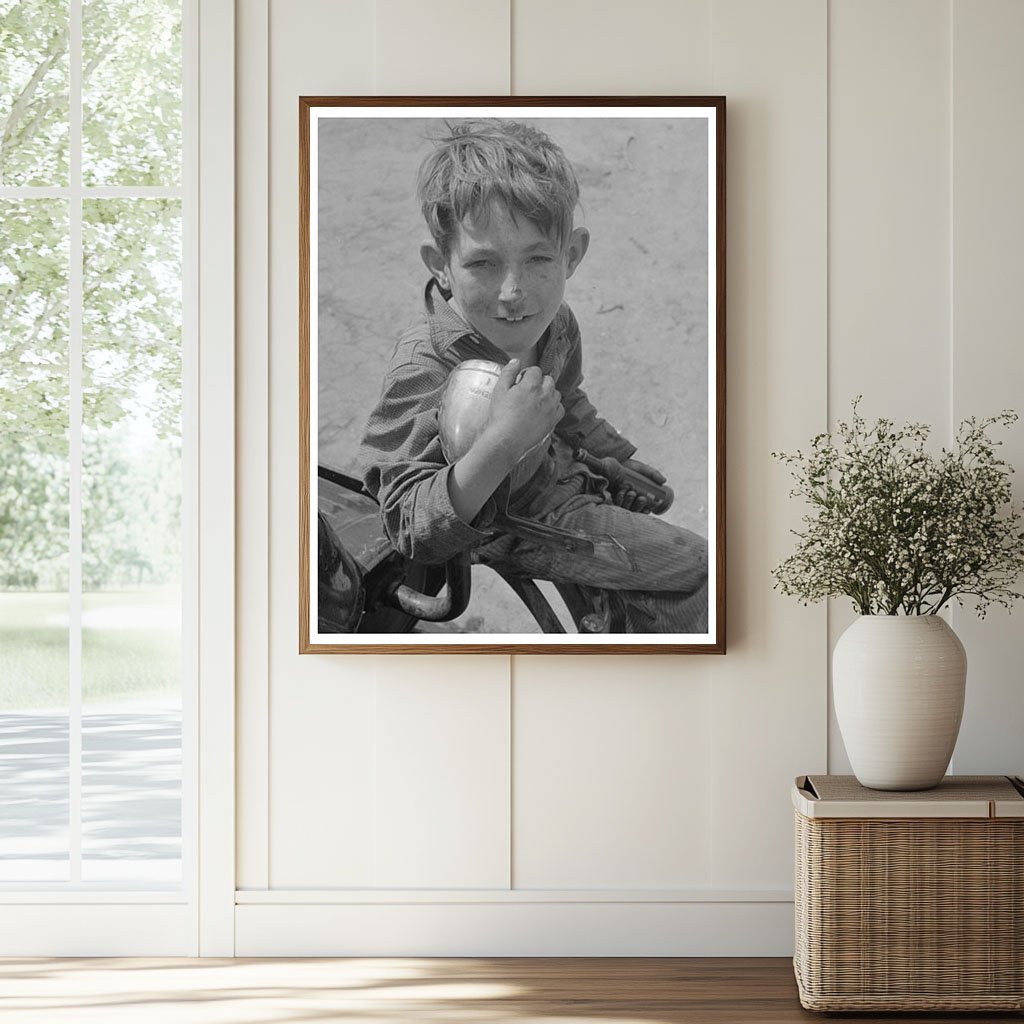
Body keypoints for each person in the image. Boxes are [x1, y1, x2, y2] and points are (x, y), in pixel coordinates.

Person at [357, 119, 707, 632]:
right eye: (483, 264)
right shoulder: (425, 367)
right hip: (504, 521)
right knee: (701, 571)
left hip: (557, 472)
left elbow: (568, 399)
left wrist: (615, 457)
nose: (513, 294)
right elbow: (410, 529)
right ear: (441, 266)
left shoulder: (555, 323)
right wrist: (502, 440)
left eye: (538, 259)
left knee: (657, 518)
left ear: (572, 255)